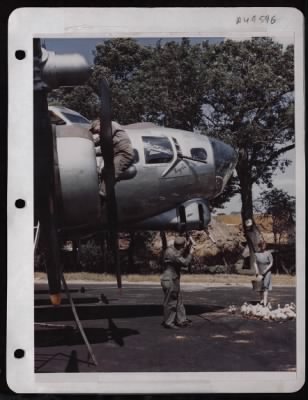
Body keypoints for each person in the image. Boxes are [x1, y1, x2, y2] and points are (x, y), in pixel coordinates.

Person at [89, 119, 134, 197]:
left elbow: (103, 139)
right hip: (117, 154)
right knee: (104, 170)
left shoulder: (111, 125)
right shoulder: (108, 135)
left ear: (100, 123)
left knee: (111, 171)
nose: (97, 133)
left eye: (96, 130)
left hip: (124, 154)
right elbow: (104, 148)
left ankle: (102, 194)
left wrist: (90, 142)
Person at [160, 236, 194, 329]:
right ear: (181, 246)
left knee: (178, 300)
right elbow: (185, 263)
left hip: (172, 278)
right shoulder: (173, 254)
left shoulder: (170, 249)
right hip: (170, 279)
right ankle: (169, 323)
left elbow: (179, 252)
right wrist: (190, 253)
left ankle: (181, 320)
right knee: (171, 302)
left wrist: (188, 246)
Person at [254, 241, 274, 306]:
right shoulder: (256, 254)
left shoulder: (268, 253)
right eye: (262, 246)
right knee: (259, 286)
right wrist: (257, 270)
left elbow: (271, 263)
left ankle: (265, 302)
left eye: (264, 246)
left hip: (267, 271)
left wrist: (266, 270)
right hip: (260, 271)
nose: (263, 247)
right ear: (260, 246)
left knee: (265, 286)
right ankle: (261, 300)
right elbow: (255, 263)